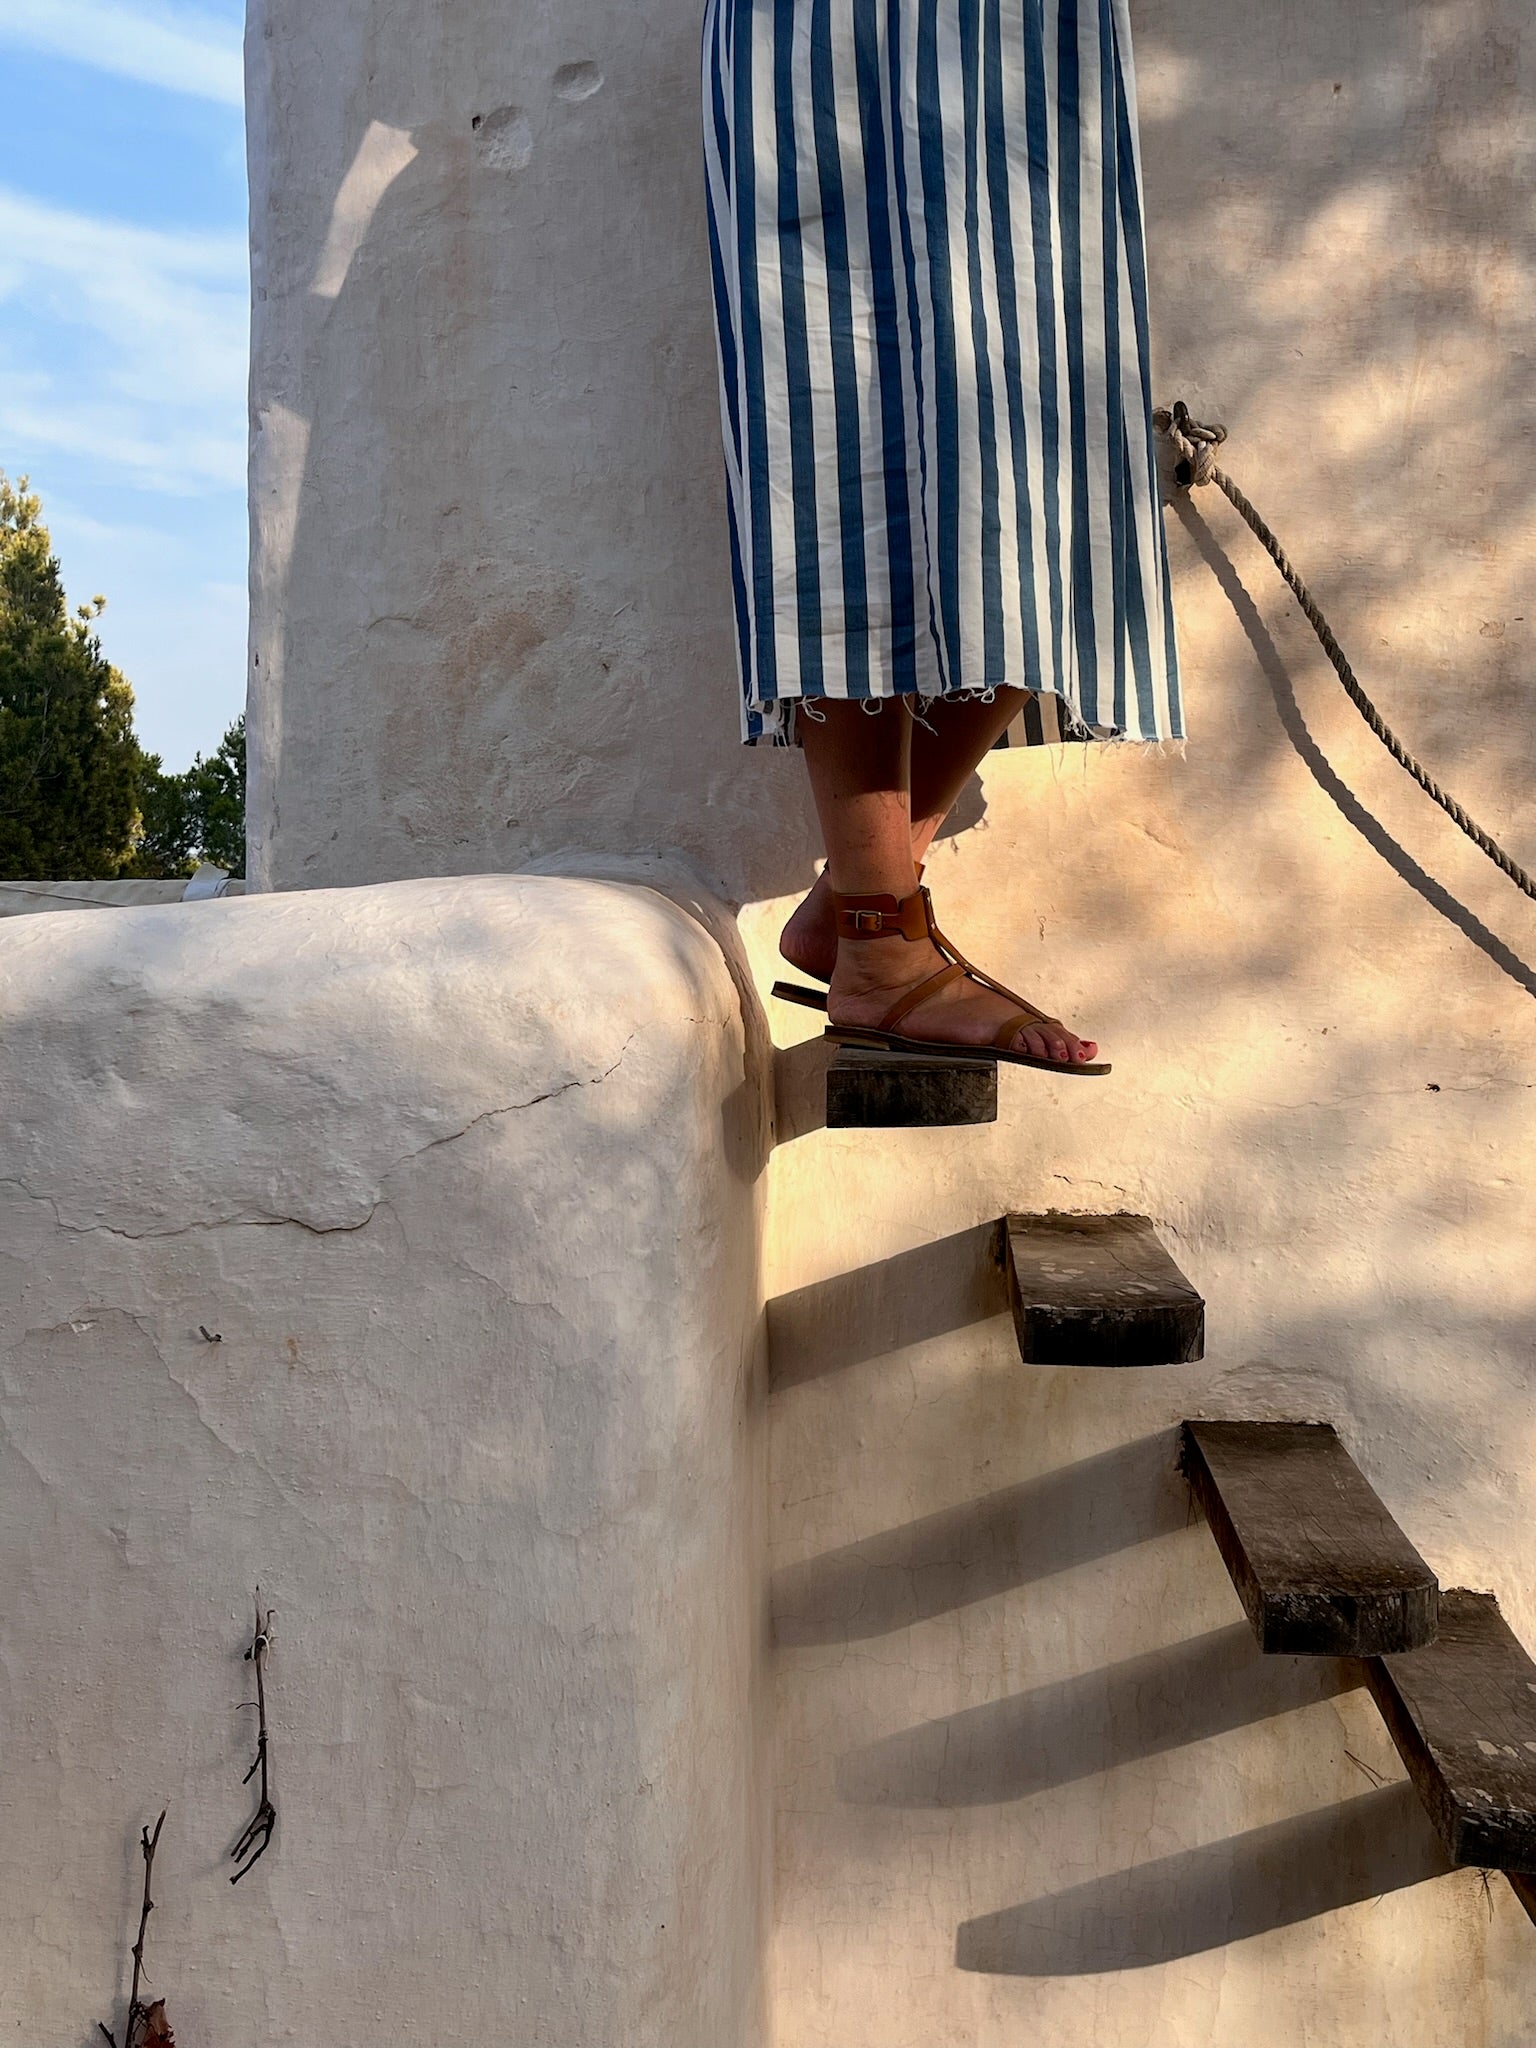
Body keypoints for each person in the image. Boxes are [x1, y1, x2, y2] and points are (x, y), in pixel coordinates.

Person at [702, 0, 1183, 1074]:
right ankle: (876, 935)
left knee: (1046, 455)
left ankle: (866, 910)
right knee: (840, 416)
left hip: (1030, 35)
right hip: (823, 35)